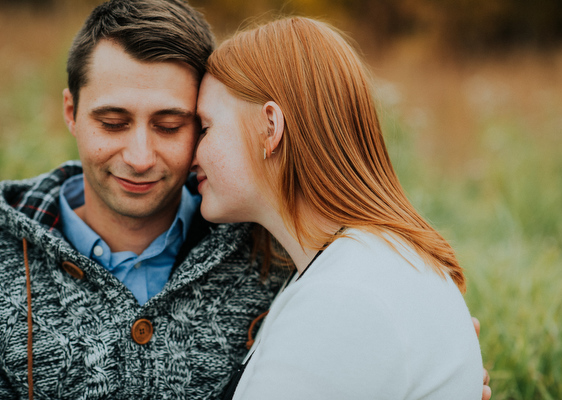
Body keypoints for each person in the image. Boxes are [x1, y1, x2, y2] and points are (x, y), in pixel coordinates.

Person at [0, 1, 287, 399]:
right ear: (71, 111)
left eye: (169, 127)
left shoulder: (273, 253)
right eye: (113, 123)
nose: (139, 158)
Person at [191, 17, 484, 399]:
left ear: (270, 127)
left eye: (206, 128)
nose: (192, 154)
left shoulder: (346, 299)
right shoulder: (361, 267)